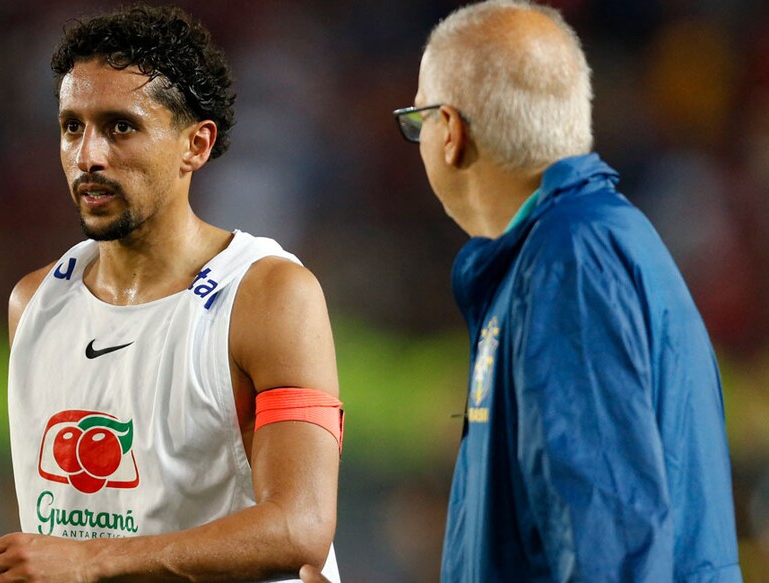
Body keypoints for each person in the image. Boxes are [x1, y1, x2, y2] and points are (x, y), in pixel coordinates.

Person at [306, 1, 742, 582]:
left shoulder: (570, 264)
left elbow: (605, 554)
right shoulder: (591, 247)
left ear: (451, 132)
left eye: (417, 123)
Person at [0, 5, 343, 583]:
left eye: (120, 126)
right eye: (72, 126)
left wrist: (89, 562)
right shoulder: (34, 303)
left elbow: (300, 528)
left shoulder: (268, 294)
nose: (89, 156)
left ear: (196, 144)